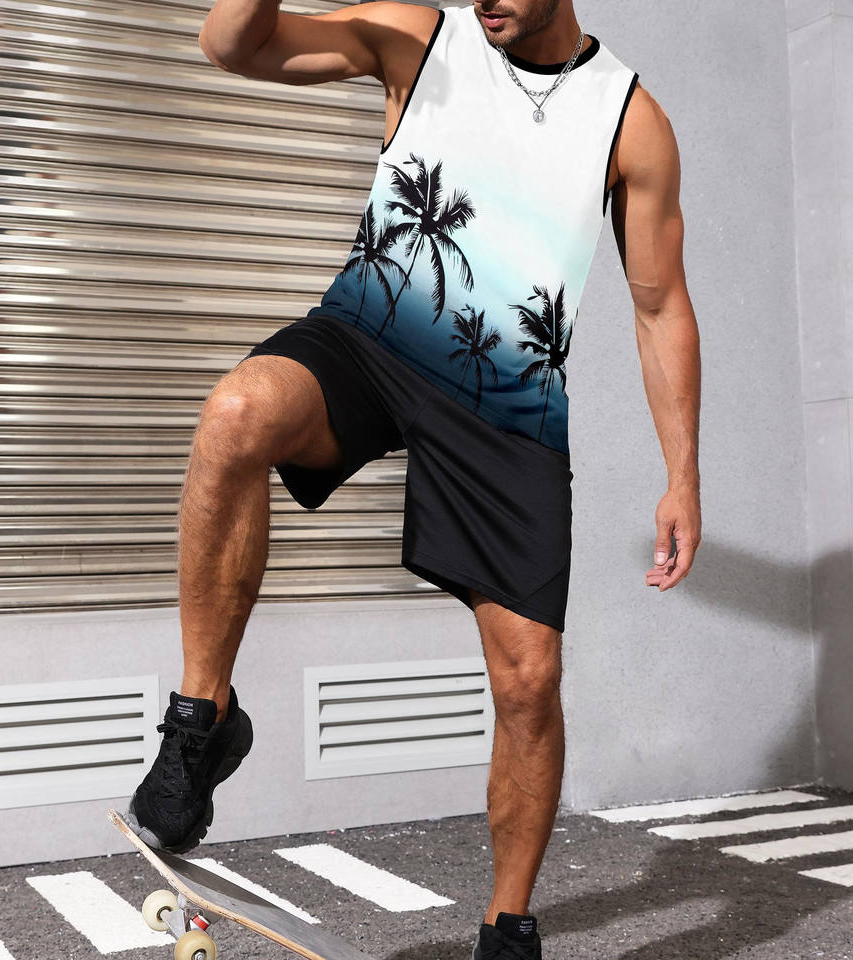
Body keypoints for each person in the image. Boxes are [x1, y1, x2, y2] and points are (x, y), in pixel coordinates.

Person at [127, 0, 702, 957]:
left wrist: (682, 473)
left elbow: (660, 305)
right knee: (236, 413)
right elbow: (234, 44)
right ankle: (202, 719)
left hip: (506, 401)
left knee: (529, 680)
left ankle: (508, 927)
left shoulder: (629, 120)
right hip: (371, 337)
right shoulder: (417, 37)